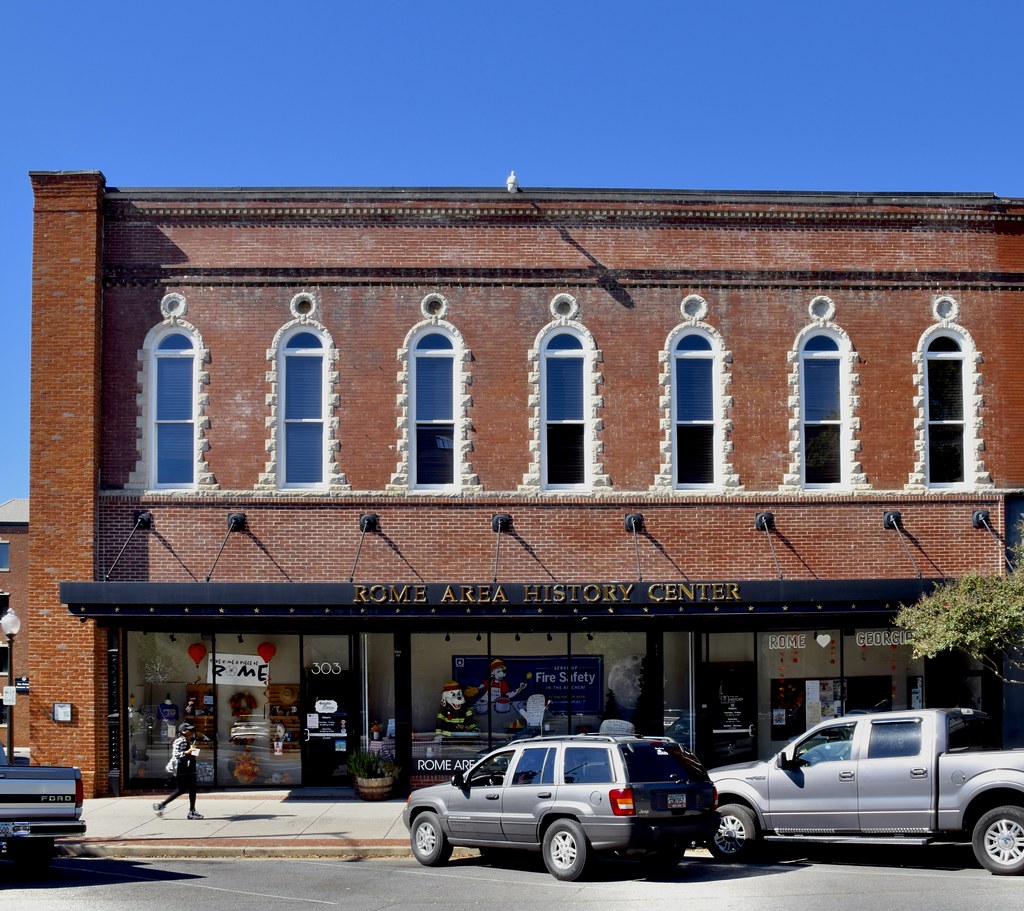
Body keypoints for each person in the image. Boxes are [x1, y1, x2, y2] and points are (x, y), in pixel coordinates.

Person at [153, 721, 204, 819]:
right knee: (182, 789)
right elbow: (177, 754)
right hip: (181, 769)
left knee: (191, 788)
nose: (192, 731)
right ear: (184, 731)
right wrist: (188, 752)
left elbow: (193, 754)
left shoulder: (190, 740)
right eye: (190, 729)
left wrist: (195, 750)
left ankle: (191, 811)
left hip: (189, 768)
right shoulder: (179, 741)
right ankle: (162, 805)